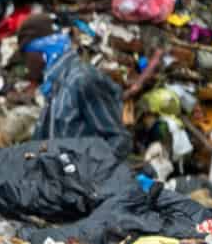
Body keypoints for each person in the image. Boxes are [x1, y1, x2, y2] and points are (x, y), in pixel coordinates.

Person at [16, 12, 130, 153]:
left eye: (26, 57)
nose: (27, 66)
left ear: (40, 52)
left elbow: (118, 140)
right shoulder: (54, 87)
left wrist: (87, 171)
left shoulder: (82, 80)